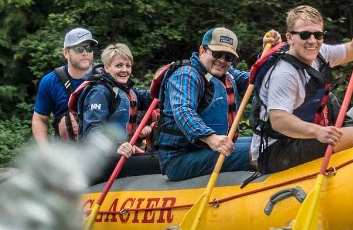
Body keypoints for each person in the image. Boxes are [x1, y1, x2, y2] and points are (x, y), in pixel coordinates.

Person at [251, 0, 353, 173]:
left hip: (297, 140)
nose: (312, 41)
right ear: (290, 38)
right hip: (274, 151)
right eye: (305, 35)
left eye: (318, 35)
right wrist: (316, 131)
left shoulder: (319, 53)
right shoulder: (284, 73)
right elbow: (278, 120)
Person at [154, 27, 279, 181]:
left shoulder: (228, 74)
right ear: (202, 50)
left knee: (269, 141)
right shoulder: (186, 74)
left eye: (228, 57)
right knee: (259, 150)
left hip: (208, 148)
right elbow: (183, 110)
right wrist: (210, 137)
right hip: (180, 158)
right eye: (217, 54)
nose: (222, 60)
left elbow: (259, 79)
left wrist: (271, 53)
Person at [76, 43, 160, 177]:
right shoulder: (99, 92)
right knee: (159, 164)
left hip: (121, 156)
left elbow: (153, 97)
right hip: (101, 161)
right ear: (107, 68)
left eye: (128, 65)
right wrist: (117, 147)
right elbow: (93, 132)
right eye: (119, 65)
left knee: (161, 157)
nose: (124, 70)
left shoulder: (129, 91)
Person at [31, 27, 97, 146]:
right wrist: (46, 151)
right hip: (67, 154)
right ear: (66, 53)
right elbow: (39, 119)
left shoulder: (107, 77)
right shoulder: (49, 82)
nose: (85, 53)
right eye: (78, 49)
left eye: (88, 47)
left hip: (105, 154)